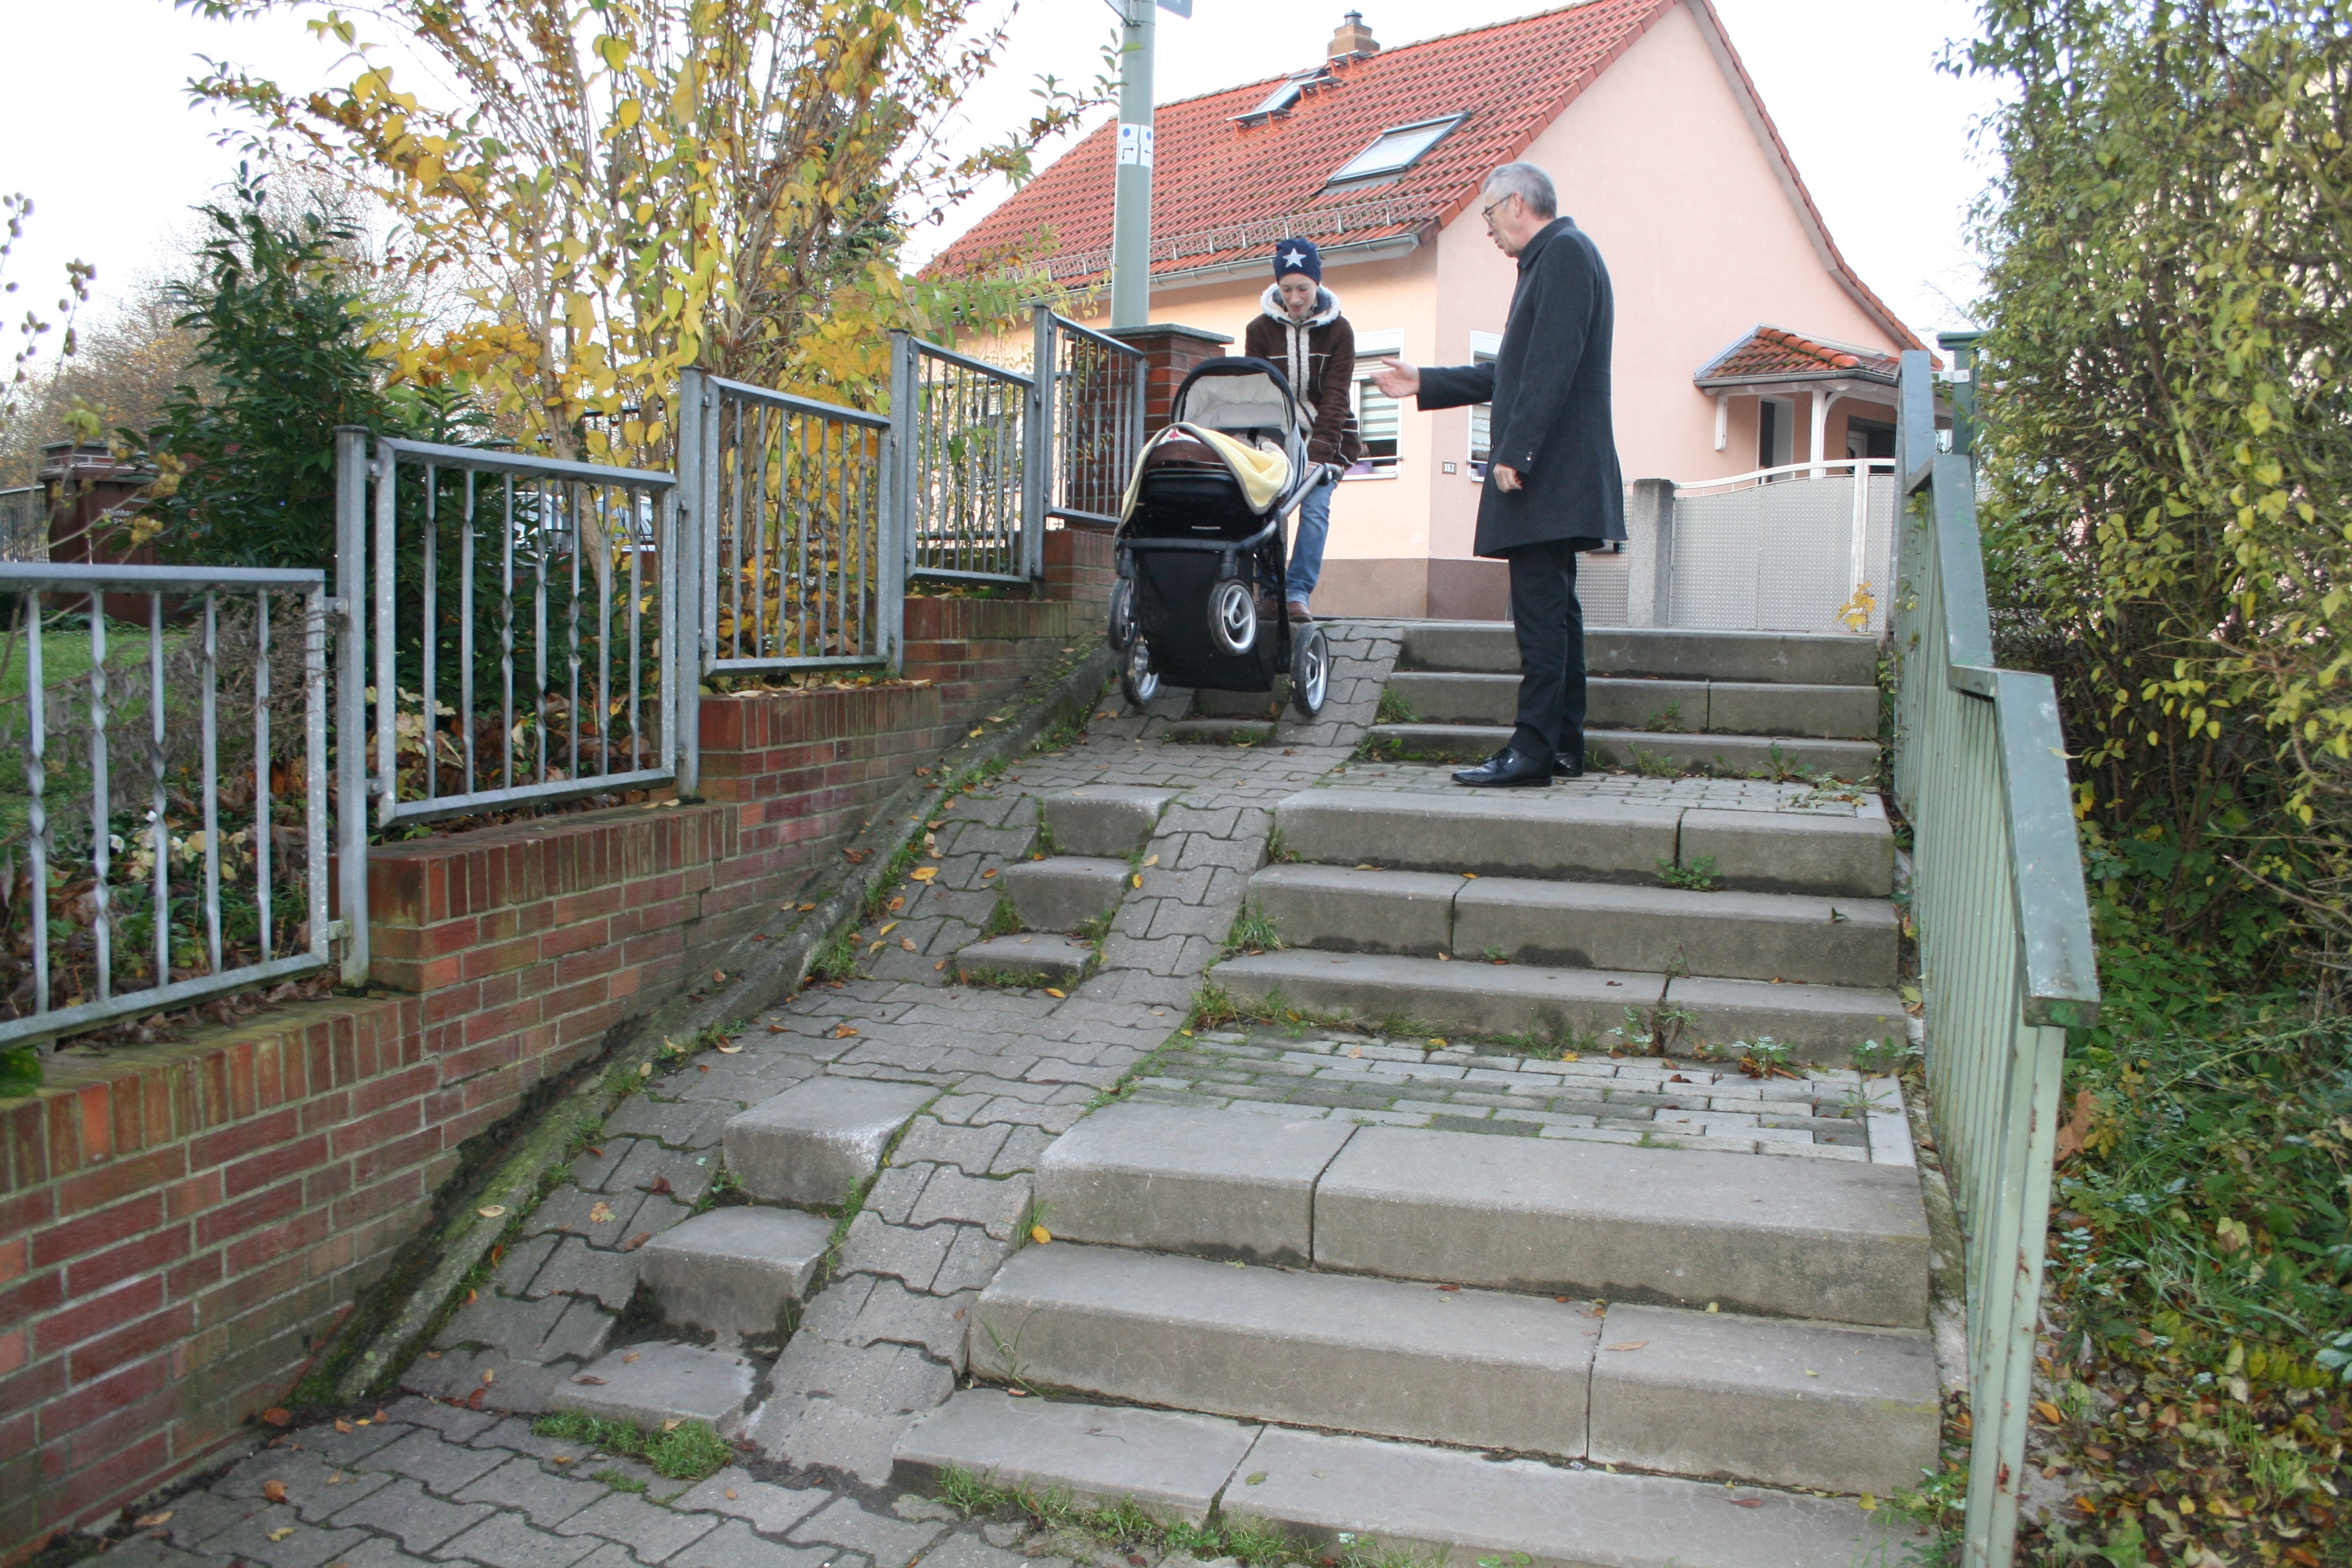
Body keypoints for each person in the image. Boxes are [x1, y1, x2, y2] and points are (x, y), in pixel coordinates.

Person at [1371, 162, 1623, 786]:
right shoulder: (1557, 258)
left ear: (1515, 203)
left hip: (1549, 474)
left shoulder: (1562, 254)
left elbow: (1551, 367)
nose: (1487, 230)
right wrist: (1424, 382)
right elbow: (1512, 371)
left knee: (1540, 615)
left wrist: (1516, 452)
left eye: (1486, 215)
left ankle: (1532, 751)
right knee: (1556, 611)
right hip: (1559, 471)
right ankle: (1563, 744)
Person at [1243, 240, 1362, 621]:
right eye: (1287, 289)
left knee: (1314, 508)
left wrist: (1319, 453)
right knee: (1267, 508)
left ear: (1317, 286)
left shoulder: (1339, 331)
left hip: (1328, 437)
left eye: (1303, 288)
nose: (1295, 298)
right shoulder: (1259, 330)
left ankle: (1297, 593)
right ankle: (1270, 594)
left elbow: (1336, 396)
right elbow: (1259, 392)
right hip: (1275, 434)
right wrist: (1267, 443)